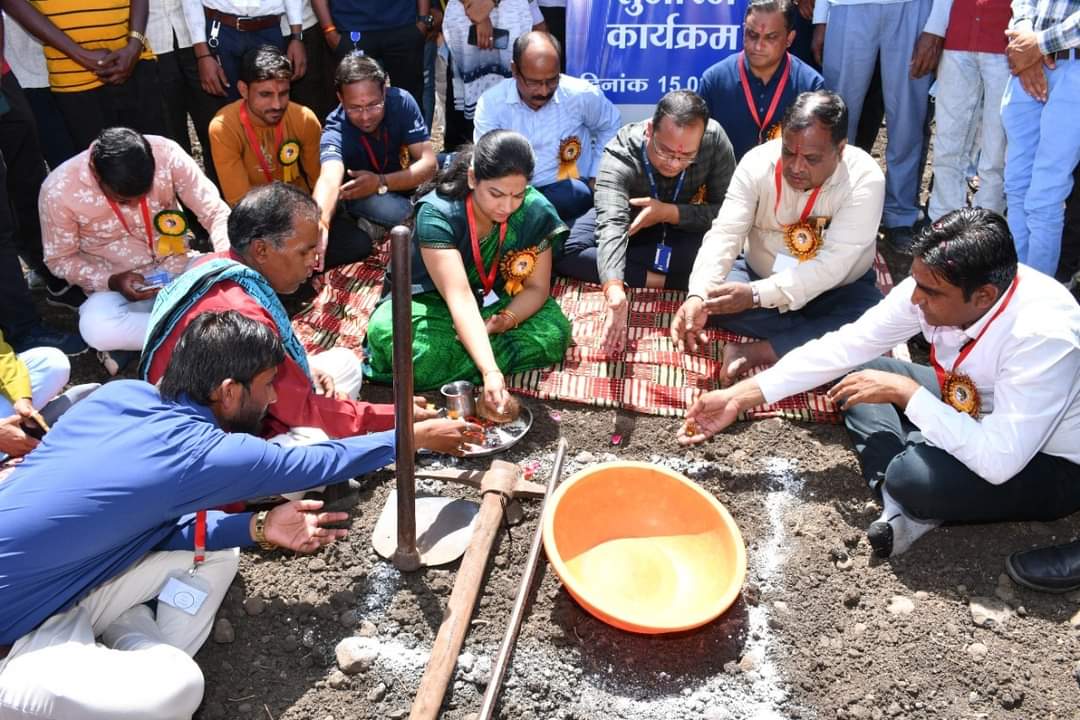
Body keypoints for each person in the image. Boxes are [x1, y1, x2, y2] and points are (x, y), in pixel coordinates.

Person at [0, 310, 476, 719]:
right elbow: (318, 462)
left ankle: (120, 632)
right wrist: (411, 437)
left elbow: (144, 527)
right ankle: (102, 662)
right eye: (268, 386)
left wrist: (258, 527)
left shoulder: (118, 395)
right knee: (177, 690)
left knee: (221, 553)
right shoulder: (203, 453)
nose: (272, 400)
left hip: (68, 587)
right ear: (228, 391)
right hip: (12, 640)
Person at [679, 208, 1080, 559]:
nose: (915, 299)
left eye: (930, 292)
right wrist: (739, 397)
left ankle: (906, 491)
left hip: (1044, 461)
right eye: (916, 282)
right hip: (970, 401)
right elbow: (848, 345)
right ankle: (904, 496)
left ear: (983, 296)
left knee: (913, 476)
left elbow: (998, 460)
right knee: (862, 373)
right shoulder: (938, 285)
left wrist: (907, 395)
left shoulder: (1044, 337)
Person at [142, 182, 434, 441]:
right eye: (305, 251)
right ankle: (273, 486)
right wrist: (397, 415)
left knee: (345, 362)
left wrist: (305, 367)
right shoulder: (243, 314)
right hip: (210, 442)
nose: (315, 261)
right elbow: (298, 409)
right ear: (261, 251)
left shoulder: (214, 266)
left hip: (240, 404)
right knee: (314, 439)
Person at [672, 91, 885, 381]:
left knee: (870, 320)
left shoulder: (865, 179)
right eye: (788, 152)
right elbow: (725, 233)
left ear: (841, 149)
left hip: (837, 288)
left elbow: (833, 266)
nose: (796, 167)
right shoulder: (757, 163)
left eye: (811, 158)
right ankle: (820, 341)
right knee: (715, 300)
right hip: (756, 274)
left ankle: (760, 350)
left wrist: (756, 297)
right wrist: (698, 295)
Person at [364, 129, 571, 411]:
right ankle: (483, 353)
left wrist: (506, 320)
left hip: (495, 301)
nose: (507, 206)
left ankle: (473, 346)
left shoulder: (534, 209)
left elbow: (536, 288)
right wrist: (490, 372)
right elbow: (459, 296)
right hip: (430, 302)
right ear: (473, 178)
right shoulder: (438, 212)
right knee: (399, 341)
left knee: (555, 331)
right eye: (496, 194)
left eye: (518, 195)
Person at [39, 127, 231, 372]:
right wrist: (111, 281)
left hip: (181, 268)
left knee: (237, 280)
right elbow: (59, 260)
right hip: (121, 292)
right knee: (96, 327)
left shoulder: (166, 153)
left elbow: (215, 212)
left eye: (143, 194)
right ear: (97, 175)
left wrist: (225, 263)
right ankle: (209, 333)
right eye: (123, 199)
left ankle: (166, 339)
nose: (135, 204)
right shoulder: (59, 190)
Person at [557, 90, 736, 350]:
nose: (674, 163)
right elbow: (612, 225)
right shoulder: (621, 151)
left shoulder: (715, 139)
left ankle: (653, 268)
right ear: (650, 131)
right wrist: (615, 288)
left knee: (729, 265)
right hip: (630, 221)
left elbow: (726, 213)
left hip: (684, 222)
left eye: (686, 156)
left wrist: (669, 213)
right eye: (665, 151)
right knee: (566, 248)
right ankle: (670, 276)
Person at [811, 0, 953, 249]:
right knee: (836, 118)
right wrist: (821, 17)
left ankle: (899, 214)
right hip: (847, 7)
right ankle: (830, 206)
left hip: (911, 7)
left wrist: (936, 26)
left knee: (907, 118)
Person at [473, 31, 620, 224]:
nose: (543, 91)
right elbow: (485, 159)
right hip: (513, 194)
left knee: (574, 195)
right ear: (515, 70)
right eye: (533, 82)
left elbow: (610, 124)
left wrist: (596, 175)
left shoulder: (580, 94)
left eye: (552, 81)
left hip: (567, 192)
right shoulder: (492, 103)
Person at [312, 53, 436, 267]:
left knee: (458, 163)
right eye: (355, 108)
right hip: (365, 194)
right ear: (340, 99)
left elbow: (428, 163)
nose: (366, 116)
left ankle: (385, 224)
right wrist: (319, 222)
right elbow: (329, 179)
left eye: (373, 105)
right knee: (407, 213)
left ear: (385, 92)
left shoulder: (402, 101)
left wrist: (381, 182)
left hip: (397, 179)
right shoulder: (334, 131)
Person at [3, 0, 165, 151]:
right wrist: (80, 54)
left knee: (156, 158)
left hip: (135, 62)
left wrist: (135, 45)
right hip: (74, 77)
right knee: (100, 169)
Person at [999, 0, 1080, 276]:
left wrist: (1037, 45)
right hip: (1029, 62)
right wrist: (1025, 39)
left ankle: (1036, 298)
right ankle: (1013, 284)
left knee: (1046, 193)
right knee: (1017, 184)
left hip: (1073, 66)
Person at [699, 0, 824, 162]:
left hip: (788, 184)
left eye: (770, 37)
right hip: (727, 184)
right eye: (752, 35)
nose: (758, 46)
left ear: (789, 39)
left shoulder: (811, 86)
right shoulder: (714, 81)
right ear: (743, 30)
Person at [925, 0, 1010, 223]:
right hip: (958, 36)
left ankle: (987, 226)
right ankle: (942, 223)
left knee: (997, 147)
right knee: (948, 139)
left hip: (1005, 42)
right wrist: (934, 30)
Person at [209, 44, 322, 206]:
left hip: (301, 210)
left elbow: (319, 181)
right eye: (265, 94)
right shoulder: (224, 127)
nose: (277, 105)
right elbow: (240, 201)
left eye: (283, 93)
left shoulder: (304, 119)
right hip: (255, 215)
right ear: (243, 90)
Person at [440, 0, 541, 149]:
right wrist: (480, 14)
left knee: (512, 95)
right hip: (465, 15)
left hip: (510, 15)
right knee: (465, 119)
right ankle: (469, 163)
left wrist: (489, 3)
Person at [148, 0, 225, 186]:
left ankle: (225, 202)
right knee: (170, 140)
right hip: (151, 47)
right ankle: (184, 211)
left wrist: (206, 53)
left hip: (198, 44)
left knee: (215, 130)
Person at [181, 0, 306, 102]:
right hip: (222, 32)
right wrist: (203, 54)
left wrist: (296, 37)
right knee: (229, 105)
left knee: (272, 100)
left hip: (268, 30)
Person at [311, 0, 432, 104]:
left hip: (403, 26)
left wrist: (423, 20)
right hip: (351, 31)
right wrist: (329, 31)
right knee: (357, 106)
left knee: (410, 105)